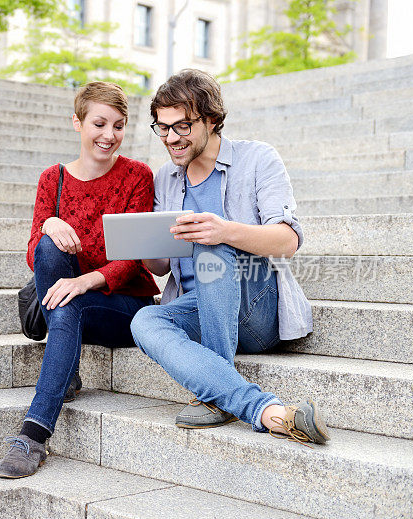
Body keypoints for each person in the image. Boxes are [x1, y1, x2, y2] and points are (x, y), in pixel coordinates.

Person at [130, 69, 329, 446]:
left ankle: (217, 390)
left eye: (183, 126)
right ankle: (261, 409)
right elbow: (158, 269)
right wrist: (141, 247)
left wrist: (223, 231)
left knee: (211, 241)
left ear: (211, 119)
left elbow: (287, 240)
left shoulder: (258, 159)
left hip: (254, 306)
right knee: (145, 321)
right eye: (163, 127)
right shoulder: (165, 179)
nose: (171, 138)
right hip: (195, 306)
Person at [0, 81, 160, 478]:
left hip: (124, 305)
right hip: (70, 302)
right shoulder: (52, 178)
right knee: (50, 249)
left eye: (118, 126)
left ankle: (33, 433)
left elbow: (133, 259)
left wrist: (85, 281)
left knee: (69, 301)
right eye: (99, 123)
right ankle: (44, 417)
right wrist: (50, 223)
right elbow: (35, 252)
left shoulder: (137, 176)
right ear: (77, 122)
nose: (109, 135)